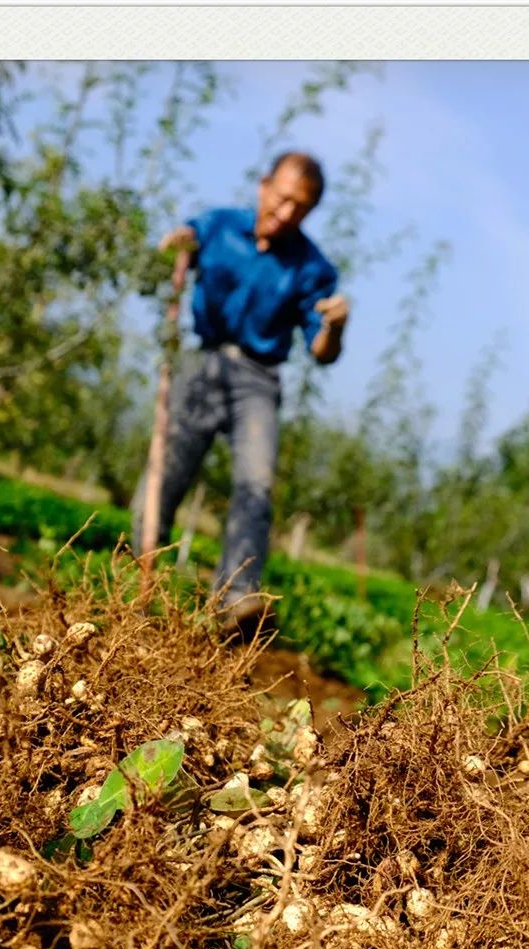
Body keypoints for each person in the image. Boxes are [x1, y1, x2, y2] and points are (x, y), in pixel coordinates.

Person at [131, 151, 349, 630]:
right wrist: (179, 244)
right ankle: (139, 589)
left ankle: (236, 601)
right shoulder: (219, 225)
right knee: (163, 475)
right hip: (203, 361)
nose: (288, 213)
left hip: (258, 377)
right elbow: (183, 239)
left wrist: (334, 327)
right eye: (284, 199)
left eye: (302, 208)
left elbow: (321, 351)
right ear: (264, 186)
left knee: (256, 481)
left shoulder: (313, 269)